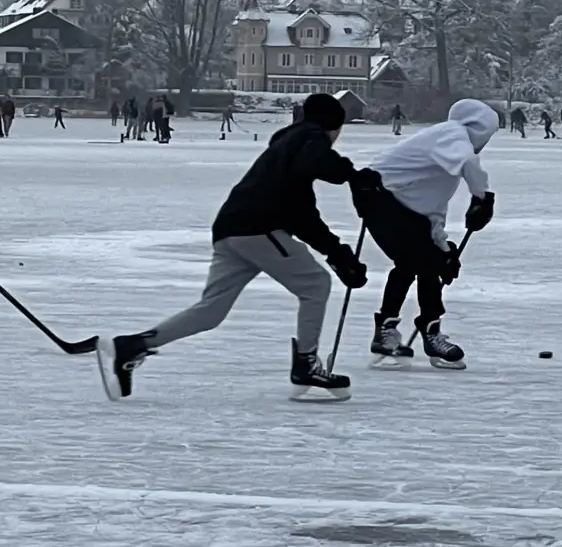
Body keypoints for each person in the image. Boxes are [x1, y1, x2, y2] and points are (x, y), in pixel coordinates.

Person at [98, 93, 372, 402]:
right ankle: (306, 364)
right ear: (333, 126)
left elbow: (302, 214)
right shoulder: (310, 139)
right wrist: (352, 178)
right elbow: (309, 192)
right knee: (315, 284)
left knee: (211, 311)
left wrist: (336, 252)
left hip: (230, 230)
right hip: (257, 229)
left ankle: (134, 345)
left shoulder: (288, 148)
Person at [359, 99, 496, 371]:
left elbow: (431, 213)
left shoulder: (444, 158)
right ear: (478, 129)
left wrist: (444, 250)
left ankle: (387, 333)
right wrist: (483, 197)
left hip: (391, 205)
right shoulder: (452, 135)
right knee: (423, 263)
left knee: (417, 262)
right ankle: (430, 334)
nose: (484, 144)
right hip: (379, 197)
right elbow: (470, 161)